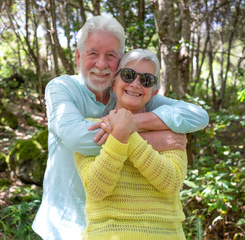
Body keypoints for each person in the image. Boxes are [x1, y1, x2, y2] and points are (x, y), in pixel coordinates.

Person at [32, 15, 208, 240]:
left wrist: (133, 123)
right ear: (78, 56)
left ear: (120, 63)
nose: (102, 64)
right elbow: (79, 139)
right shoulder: (62, 88)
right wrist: (158, 139)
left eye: (111, 56)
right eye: (93, 53)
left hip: (116, 226)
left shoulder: (133, 91)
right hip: (65, 223)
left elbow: (198, 116)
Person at [75, 49, 187, 239]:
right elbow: (96, 188)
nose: (135, 84)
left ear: (154, 92)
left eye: (146, 80)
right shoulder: (91, 126)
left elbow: (171, 182)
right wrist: (121, 132)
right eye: (128, 75)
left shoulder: (172, 127)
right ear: (114, 82)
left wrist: (125, 131)